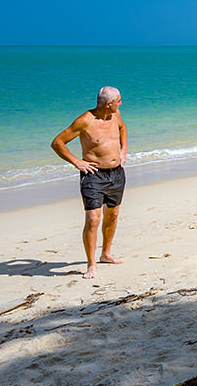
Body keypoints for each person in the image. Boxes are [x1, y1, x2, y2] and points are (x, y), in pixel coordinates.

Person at [51, 86, 128, 279]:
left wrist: (123, 150)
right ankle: (91, 264)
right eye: (118, 101)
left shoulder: (115, 115)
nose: (121, 104)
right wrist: (77, 162)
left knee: (113, 215)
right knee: (93, 219)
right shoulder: (85, 120)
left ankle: (106, 254)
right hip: (94, 176)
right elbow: (57, 142)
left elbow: (122, 128)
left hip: (116, 173)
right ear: (108, 103)